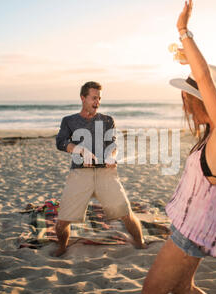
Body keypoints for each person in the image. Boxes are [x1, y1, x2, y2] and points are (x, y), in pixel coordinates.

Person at [142, 0, 216, 294]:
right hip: (194, 226)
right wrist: (189, 61)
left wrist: (183, 29)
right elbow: (201, 78)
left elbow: (204, 78)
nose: (184, 105)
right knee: (182, 288)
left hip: (192, 231)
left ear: (201, 99)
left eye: (187, 97)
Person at [53, 81, 147, 257]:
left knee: (126, 213)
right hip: (80, 173)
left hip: (106, 173)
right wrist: (79, 149)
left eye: (99, 99)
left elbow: (113, 144)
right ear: (83, 98)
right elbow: (61, 142)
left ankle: (140, 244)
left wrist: (112, 155)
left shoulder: (107, 120)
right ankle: (62, 248)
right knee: (63, 221)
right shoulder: (69, 121)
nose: (97, 102)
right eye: (93, 98)